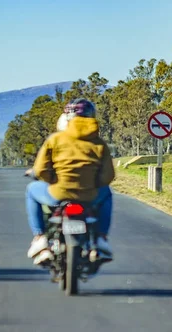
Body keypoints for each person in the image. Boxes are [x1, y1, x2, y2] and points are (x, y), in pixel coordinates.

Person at [25, 98, 115, 265]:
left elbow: (42, 170)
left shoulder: (55, 139)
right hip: (89, 195)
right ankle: (101, 238)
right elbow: (108, 176)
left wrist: (53, 181)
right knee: (107, 193)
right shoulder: (99, 144)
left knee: (31, 189)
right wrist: (93, 183)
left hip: (58, 193)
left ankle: (39, 238)